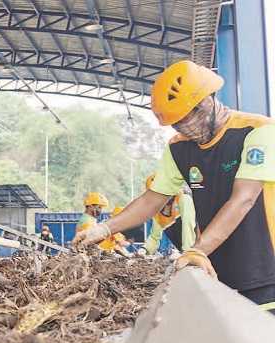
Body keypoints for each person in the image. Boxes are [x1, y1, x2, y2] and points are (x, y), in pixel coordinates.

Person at [74, 60, 275, 314]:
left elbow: (244, 199)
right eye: (178, 124)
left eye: (191, 119)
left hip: (265, 270)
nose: (187, 129)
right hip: (214, 270)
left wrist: (197, 249)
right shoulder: (179, 147)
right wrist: (104, 228)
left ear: (208, 101)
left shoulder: (257, 131)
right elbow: (153, 199)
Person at [136, 174, 197, 256]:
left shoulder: (183, 199)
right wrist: (145, 249)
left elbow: (188, 225)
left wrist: (187, 251)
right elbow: (154, 238)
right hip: (186, 251)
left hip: (200, 247)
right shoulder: (158, 211)